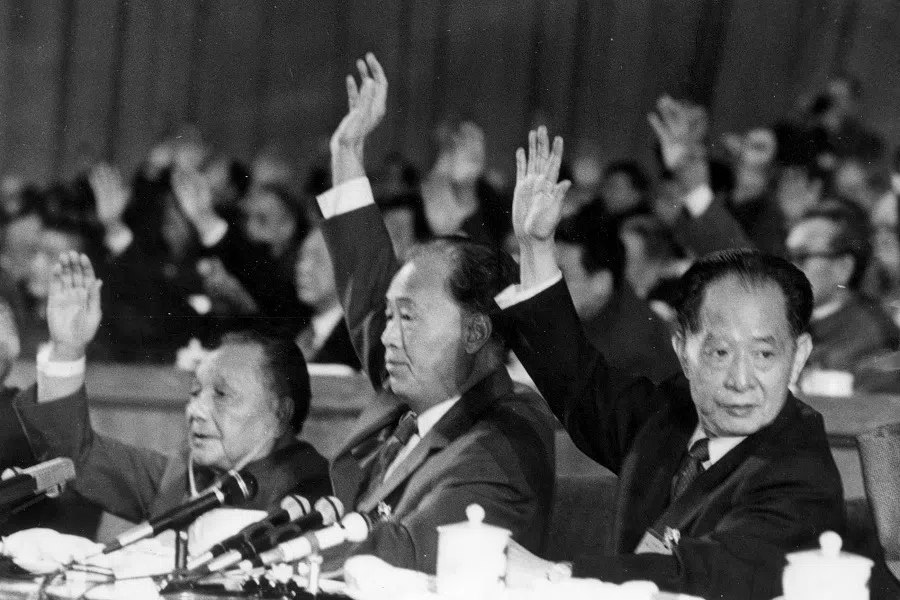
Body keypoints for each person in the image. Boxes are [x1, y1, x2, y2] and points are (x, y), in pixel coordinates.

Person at [499, 127, 843, 599]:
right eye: (720, 352)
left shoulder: (800, 471)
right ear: (682, 350)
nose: (742, 380)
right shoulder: (674, 418)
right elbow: (578, 384)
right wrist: (537, 249)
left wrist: (549, 576)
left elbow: (697, 575)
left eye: (764, 354)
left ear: (798, 355)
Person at [319, 54, 555, 573]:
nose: (386, 337)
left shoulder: (506, 435)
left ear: (474, 330)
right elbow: (367, 284)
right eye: (391, 317)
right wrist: (347, 151)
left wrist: (285, 551)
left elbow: (404, 554)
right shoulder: (420, 388)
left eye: (409, 317)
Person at [13, 252, 331, 525]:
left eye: (222, 394)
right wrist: (67, 348)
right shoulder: (179, 477)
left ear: (279, 414)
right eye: (194, 393)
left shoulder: (314, 490)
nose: (196, 410)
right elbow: (74, 459)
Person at [785, 202, 900, 393]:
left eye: (802, 257)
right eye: (785, 255)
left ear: (843, 268)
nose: (787, 267)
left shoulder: (875, 337)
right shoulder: (782, 321)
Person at [554, 211, 679, 382]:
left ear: (601, 283)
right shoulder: (599, 307)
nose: (552, 285)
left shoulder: (629, 350)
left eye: (563, 275)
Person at [294, 226, 360, 369]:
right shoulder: (290, 328)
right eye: (301, 258)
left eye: (317, 259)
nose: (303, 268)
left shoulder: (363, 342)